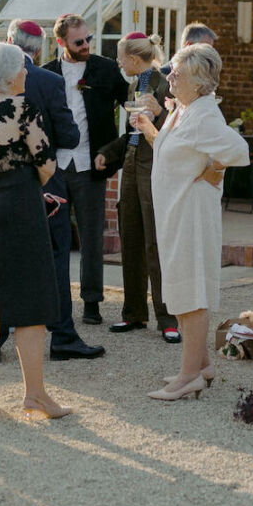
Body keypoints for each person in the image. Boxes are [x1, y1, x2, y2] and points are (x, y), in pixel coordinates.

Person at [0, 19, 102, 360]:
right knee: (52, 259)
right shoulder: (49, 81)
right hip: (39, 185)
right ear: (38, 50)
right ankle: (63, 336)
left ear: (9, 40)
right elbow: (70, 137)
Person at [0, 41, 72, 419]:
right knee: (31, 299)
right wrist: (30, 188)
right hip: (21, 205)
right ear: (9, 74)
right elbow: (47, 164)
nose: (26, 72)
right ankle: (35, 394)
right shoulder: (22, 109)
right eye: (22, 68)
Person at [129, 43, 250, 400]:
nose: (170, 76)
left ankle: (188, 377)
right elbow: (171, 151)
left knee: (190, 292)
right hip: (174, 210)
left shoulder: (204, 115)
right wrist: (150, 127)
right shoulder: (183, 109)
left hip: (191, 213)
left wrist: (214, 169)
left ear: (198, 82)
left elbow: (239, 150)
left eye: (177, 73)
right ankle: (202, 365)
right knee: (180, 286)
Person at [43, 14, 127, 325]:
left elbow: (133, 106)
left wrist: (113, 152)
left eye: (88, 39)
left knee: (92, 238)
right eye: (79, 42)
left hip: (91, 164)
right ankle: (56, 302)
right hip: (55, 167)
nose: (86, 46)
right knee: (55, 238)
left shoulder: (105, 68)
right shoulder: (47, 73)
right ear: (61, 42)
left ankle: (92, 302)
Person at [94, 33, 175, 339]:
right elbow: (133, 133)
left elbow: (174, 127)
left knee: (155, 241)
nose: (117, 63)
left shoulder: (165, 83)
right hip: (132, 163)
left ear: (133, 58)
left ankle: (168, 319)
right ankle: (134, 313)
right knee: (130, 236)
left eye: (120, 58)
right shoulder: (133, 84)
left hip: (155, 165)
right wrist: (108, 153)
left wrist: (159, 112)